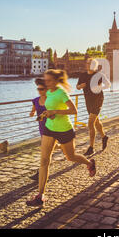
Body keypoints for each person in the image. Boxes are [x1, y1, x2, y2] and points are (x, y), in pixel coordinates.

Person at [26, 69, 96, 207]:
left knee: (71, 157)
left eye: (49, 80)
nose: (46, 83)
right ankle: (40, 196)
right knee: (44, 161)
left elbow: (73, 110)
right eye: (45, 80)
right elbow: (50, 107)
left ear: (56, 81)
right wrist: (47, 114)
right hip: (49, 128)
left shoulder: (61, 92)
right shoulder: (49, 92)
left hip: (64, 130)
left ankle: (89, 163)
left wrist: (55, 111)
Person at [77, 58, 111, 156]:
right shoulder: (83, 75)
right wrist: (80, 86)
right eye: (87, 63)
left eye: (90, 63)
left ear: (94, 65)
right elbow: (77, 86)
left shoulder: (99, 75)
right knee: (96, 122)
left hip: (98, 100)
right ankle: (104, 137)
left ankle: (91, 147)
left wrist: (100, 87)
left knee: (91, 123)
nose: (88, 65)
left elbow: (108, 84)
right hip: (88, 101)